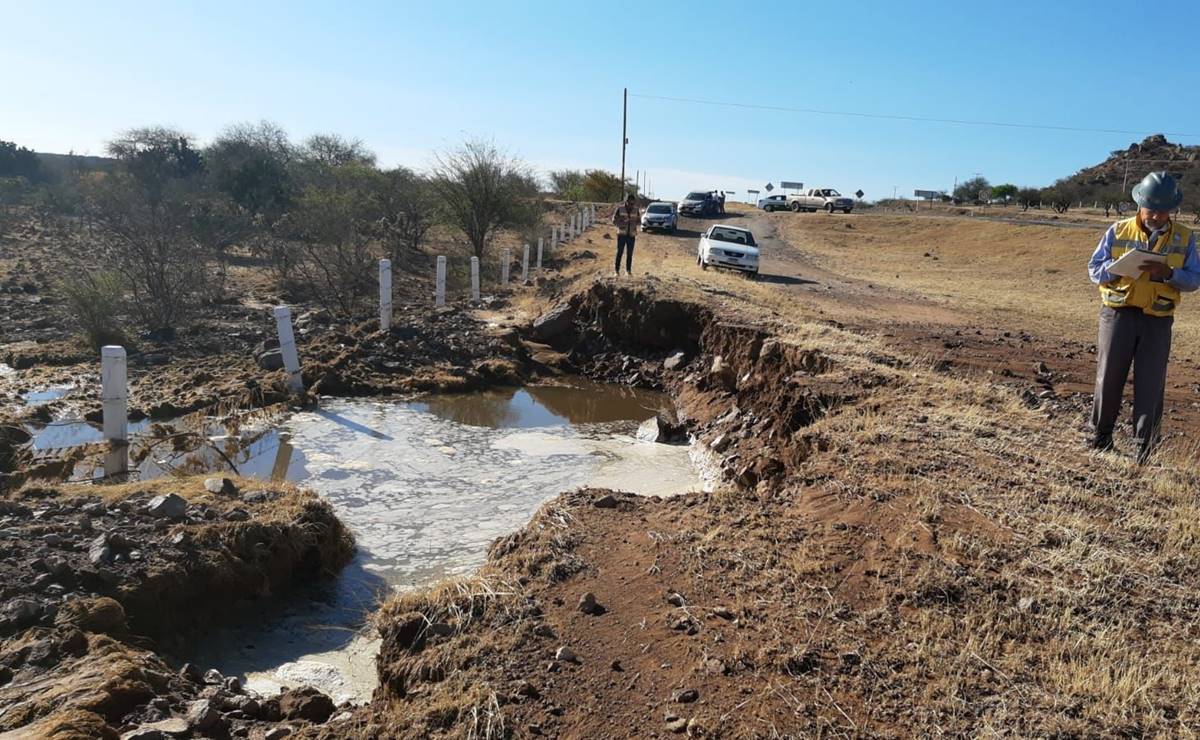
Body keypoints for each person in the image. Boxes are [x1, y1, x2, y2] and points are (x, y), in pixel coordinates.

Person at [1087, 171, 1200, 462]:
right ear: (1140, 204)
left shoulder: (1184, 238)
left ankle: (1144, 447)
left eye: (1164, 211)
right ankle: (1100, 437)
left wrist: (1170, 274)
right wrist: (1117, 268)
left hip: (1157, 320)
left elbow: (1193, 280)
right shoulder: (1118, 230)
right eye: (1153, 210)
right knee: (1109, 376)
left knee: (1151, 383)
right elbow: (1094, 269)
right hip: (1117, 314)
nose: (1158, 216)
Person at [611, 194, 640, 276]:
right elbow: (614, 220)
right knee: (619, 252)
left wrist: (635, 221)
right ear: (626, 202)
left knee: (629, 254)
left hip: (631, 235)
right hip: (622, 234)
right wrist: (622, 221)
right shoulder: (620, 209)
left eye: (633, 203)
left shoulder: (636, 209)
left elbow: (639, 221)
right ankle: (616, 271)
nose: (632, 205)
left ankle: (628, 271)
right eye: (630, 203)